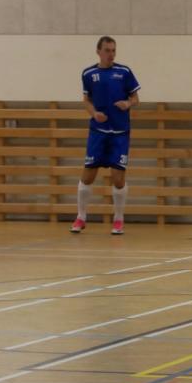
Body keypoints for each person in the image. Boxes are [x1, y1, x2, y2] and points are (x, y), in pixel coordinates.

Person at [73, 36, 139, 235]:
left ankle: (118, 219)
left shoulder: (124, 72)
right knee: (88, 175)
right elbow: (86, 100)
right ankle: (81, 217)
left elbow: (135, 98)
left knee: (118, 178)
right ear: (98, 52)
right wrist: (94, 114)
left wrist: (127, 103)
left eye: (113, 50)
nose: (111, 54)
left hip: (120, 133)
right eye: (108, 50)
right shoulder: (88, 74)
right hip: (98, 132)